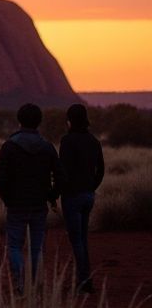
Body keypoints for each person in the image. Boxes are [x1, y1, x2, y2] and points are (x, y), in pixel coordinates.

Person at [0, 103, 60, 293]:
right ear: (39, 121)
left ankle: (20, 284)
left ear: (19, 120)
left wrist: (7, 198)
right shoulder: (47, 147)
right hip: (39, 204)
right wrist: (51, 195)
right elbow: (61, 176)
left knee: (14, 246)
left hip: (16, 204)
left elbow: (0, 178)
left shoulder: (9, 147)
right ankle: (36, 285)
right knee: (37, 247)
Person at [57, 103, 104, 293]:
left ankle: (84, 282)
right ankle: (86, 279)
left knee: (76, 240)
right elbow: (100, 169)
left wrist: (57, 192)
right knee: (83, 239)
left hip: (72, 197)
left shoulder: (67, 141)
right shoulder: (93, 141)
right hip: (88, 196)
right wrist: (92, 187)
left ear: (69, 120)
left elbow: (63, 171)